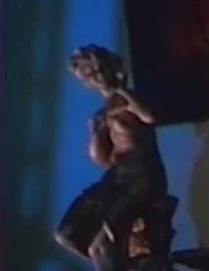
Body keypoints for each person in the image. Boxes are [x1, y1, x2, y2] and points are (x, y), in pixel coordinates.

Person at [54, 44, 175, 270]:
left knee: (101, 246)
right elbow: (103, 159)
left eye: (91, 74)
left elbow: (149, 117)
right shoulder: (102, 114)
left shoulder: (131, 101)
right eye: (85, 77)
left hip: (141, 177)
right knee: (67, 234)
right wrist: (95, 133)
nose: (90, 81)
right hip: (118, 177)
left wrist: (122, 91)